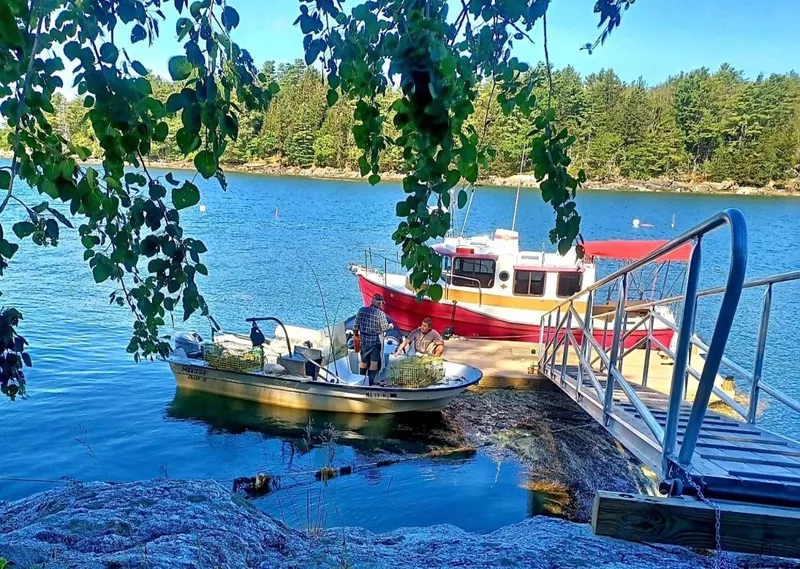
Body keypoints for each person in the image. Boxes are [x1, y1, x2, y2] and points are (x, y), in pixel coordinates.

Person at [353, 294, 393, 384]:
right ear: (379, 304)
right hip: (375, 341)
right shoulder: (380, 314)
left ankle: (362, 380)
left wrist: (356, 335)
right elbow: (384, 328)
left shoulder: (361, 310)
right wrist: (390, 326)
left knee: (363, 361)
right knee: (374, 362)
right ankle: (370, 382)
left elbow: (355, 326)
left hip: (363, 340)